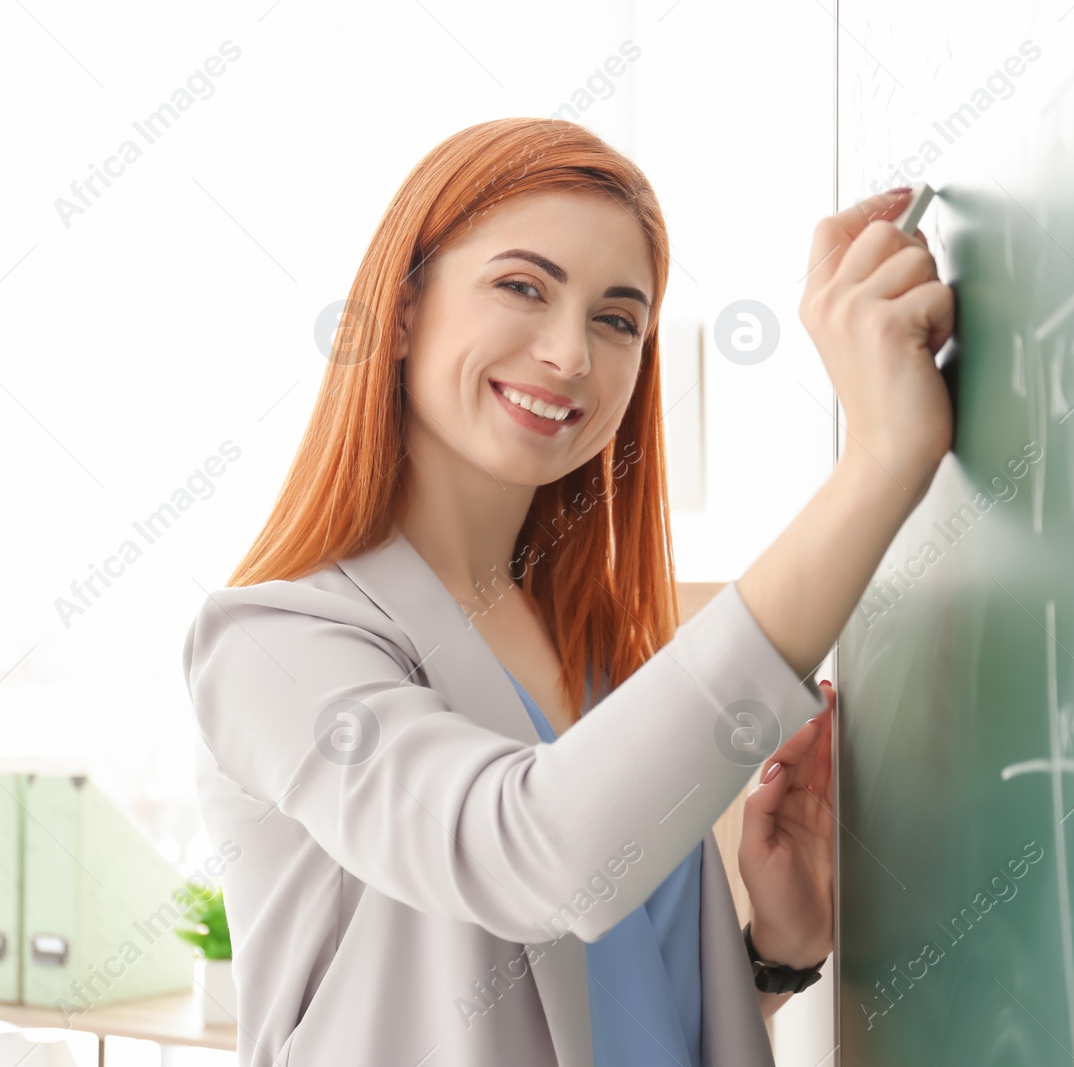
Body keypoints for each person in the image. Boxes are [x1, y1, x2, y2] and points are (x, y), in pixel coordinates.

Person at [183, 116, 952, 1067]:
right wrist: (878, 463)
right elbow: (537, 855)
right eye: (522, 286)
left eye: (616, 319)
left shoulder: (602, 664)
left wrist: (774, 958)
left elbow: (624, 1025)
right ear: (405, 309)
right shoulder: (273, 643)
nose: (570, 353)